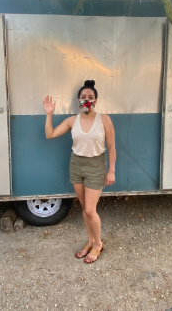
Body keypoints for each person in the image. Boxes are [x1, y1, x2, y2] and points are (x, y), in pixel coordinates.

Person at [43, 80, 116, 264]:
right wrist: (49, 114)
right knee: (85, 208)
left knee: (91, 210)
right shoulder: (72, 121)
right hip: (76, 164)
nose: (87, 100)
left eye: (90, 97)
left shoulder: (104, 119)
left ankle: (98, 244)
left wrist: (111, 170)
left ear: (96, 100)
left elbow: (112, 147)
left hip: (96, 166)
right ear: (78, 100)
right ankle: (90, 241)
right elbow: (50, 134)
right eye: (83, 97)